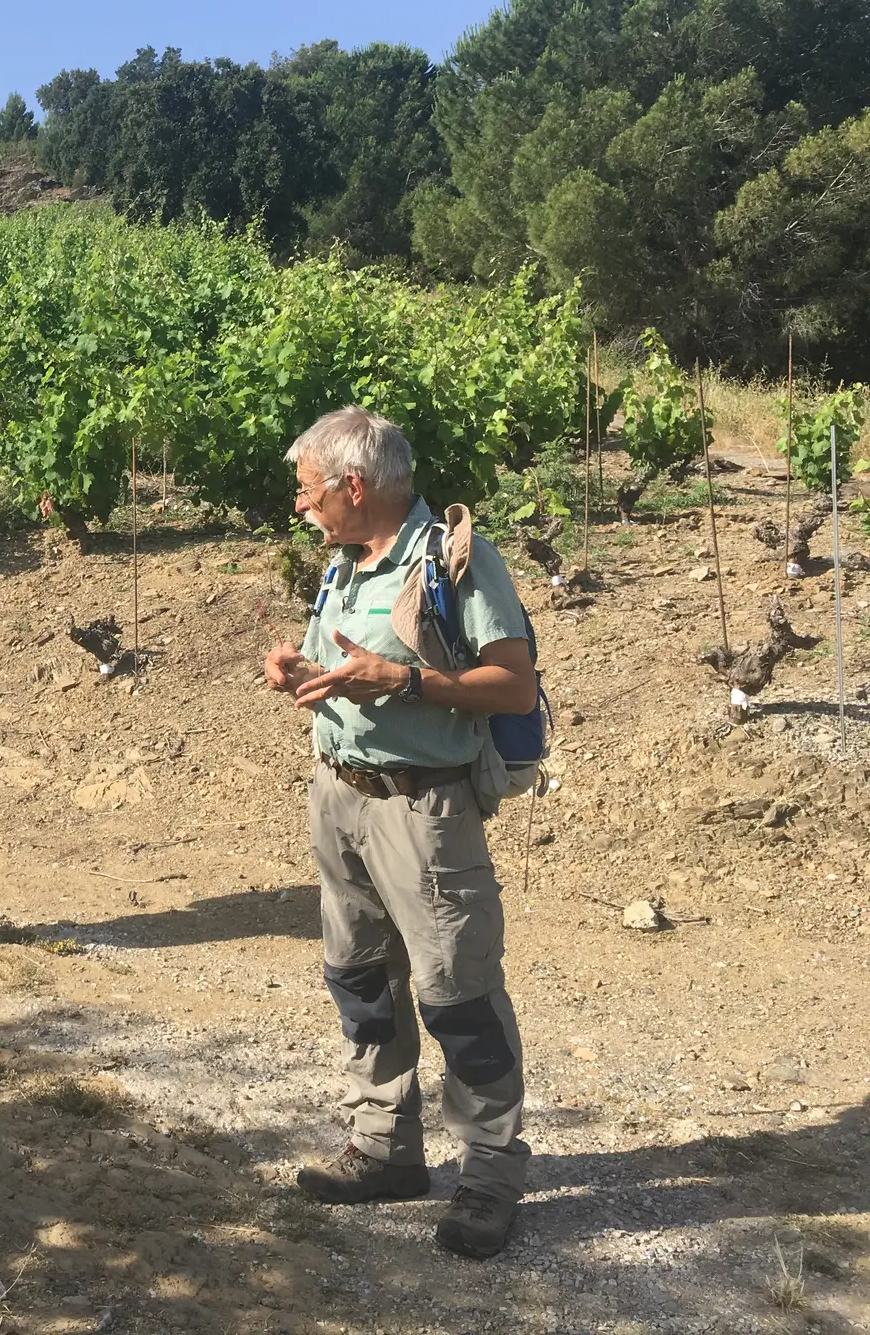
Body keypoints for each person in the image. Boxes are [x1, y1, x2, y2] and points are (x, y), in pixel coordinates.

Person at [262, 405, 537, 1260]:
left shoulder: (454, 561)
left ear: (354, 485)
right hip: (340, 798)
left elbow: (513, 686)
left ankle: (490, 1172)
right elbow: (359, 677)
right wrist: (306, 674)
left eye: (308, 492)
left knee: (456, 993)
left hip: (425, 811)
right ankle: (385, 1148)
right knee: (358, 979)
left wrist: (404, 680)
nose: (300, 507)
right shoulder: (347, 567)